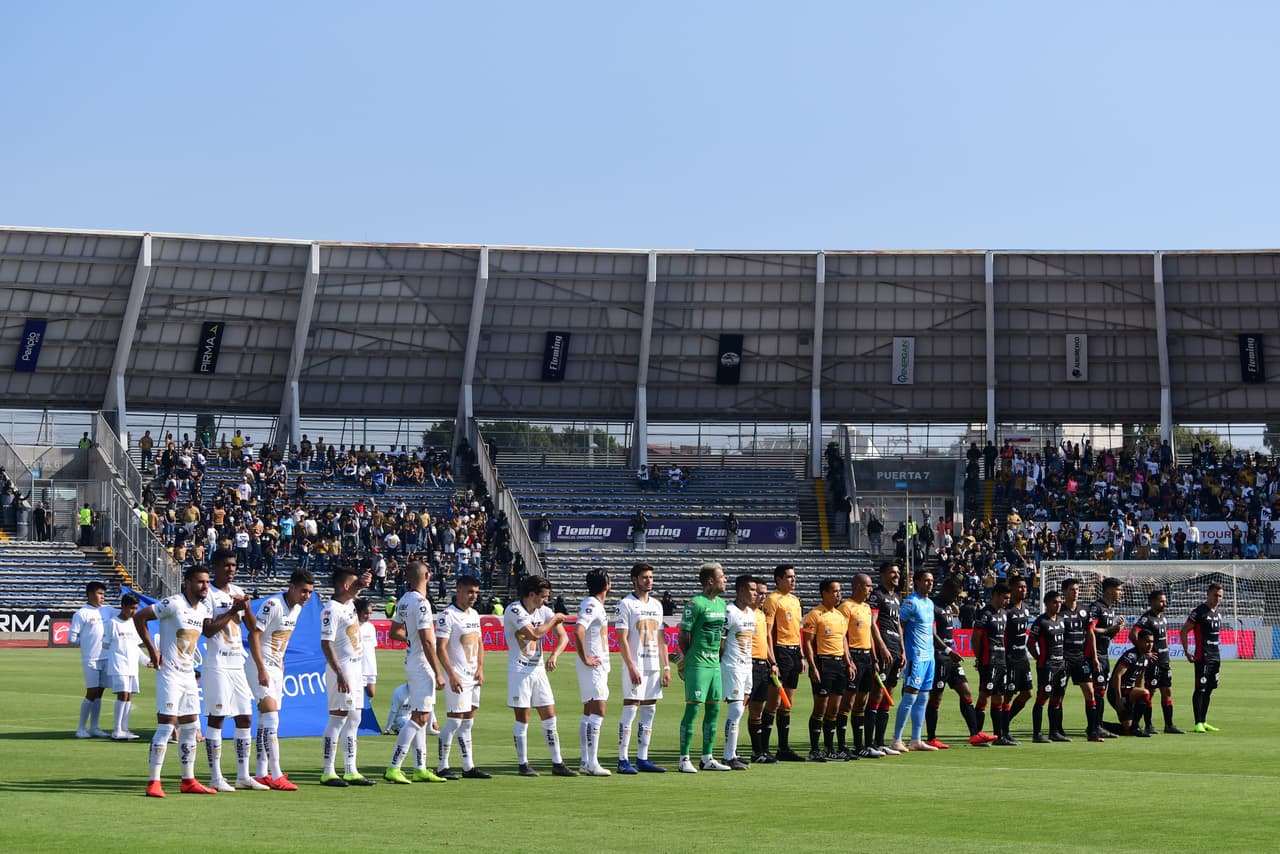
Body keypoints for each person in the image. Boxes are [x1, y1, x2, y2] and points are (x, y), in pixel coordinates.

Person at [134, 566, 235, 798]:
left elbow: (209, 631)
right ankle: (153, 782)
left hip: (189, 675)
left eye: (207, 582)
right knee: (167, 726)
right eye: (200, 582)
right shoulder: (173, 603)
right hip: (169, 674)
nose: (205, 586)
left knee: (190, 728)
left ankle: (188, 779)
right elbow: (140, 617)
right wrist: (152, 650)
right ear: (187, 582)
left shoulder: (203, 609)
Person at [202, 549, 266, 791]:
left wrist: (245, 607)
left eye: (234, 566)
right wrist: (231, 610)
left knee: (244, 717)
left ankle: (242, 775)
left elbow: (253, 628)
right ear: (215, 566)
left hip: (237, 662)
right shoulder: (208, 594)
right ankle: (216, 777)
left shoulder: (238, 591)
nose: (231, 570)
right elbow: (207, 630)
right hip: (217, 663)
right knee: (217, 717)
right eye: (227, 565)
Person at [245, 568, 315, 790]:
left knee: (266, 720)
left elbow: (279, 638)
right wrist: (261, 668)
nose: (307, 596)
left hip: (276, 668)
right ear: (291, 587)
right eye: (303, 591)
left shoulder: (296, 609)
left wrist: (279, 661)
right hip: (260, 667)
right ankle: (276, 775)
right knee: (272, 719)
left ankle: (260, 773)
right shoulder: (274, 605)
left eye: (310, 592)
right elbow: (254, 634)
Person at [505, 575, 577, 777]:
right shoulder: (514, 610)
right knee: (523, 719)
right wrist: (554, 619)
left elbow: (563, 636)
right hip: (519, 671)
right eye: (543, 597)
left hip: (538, 671)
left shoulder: (542, 611)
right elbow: (534, 634)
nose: (545, 601)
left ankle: (557, 762)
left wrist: (554, 654)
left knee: (550, 716)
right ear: (531, 594)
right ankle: (523, 764)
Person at [383, 560, 447, 784]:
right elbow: (428, 641)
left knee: (421, 714)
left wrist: (411, 639)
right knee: (421, 717)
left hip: (411, 660)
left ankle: (420, 767)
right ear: (427, 575)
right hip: (421, 664)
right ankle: (394, 766)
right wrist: (438, 672)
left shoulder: (404, 600)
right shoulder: (422, 603)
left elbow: (394, 632)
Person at [319, 564, 376, 786]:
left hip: (355, 668)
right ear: (345, 585)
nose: (358, 587)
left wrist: (361, 583)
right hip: (341, 669)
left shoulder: (349, 603)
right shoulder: (331, 609)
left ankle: (351, 769)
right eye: (353, 583)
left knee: (355, 718)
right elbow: (326, 643)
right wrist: (339, 672)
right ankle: (328, 770)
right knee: (338, 717)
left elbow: (357, 590)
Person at [615, 562, 670, 774]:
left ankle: (643, 758)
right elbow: (621, 639)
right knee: (630, 709)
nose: (649, 581)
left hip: (653, 665)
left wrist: (666, 666)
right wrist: (630, 665)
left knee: (650, 710)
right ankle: (622, 759)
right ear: (634, 580)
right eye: (645, 577)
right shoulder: (626, 604)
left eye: (651, 577)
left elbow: (661, 637)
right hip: (636, 665)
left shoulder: (657, 605)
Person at [434, 574, 491, 780]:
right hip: (457, 677)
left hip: (473, 677)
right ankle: (442, 766)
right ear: (458, 590)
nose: (473, 596)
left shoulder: (475, 614)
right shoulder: (448, 615)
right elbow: (440, 647)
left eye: (476, 592)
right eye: (469, 592)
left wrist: (481, 668)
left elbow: (480, 644)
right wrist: (451, 675)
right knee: (454, 721)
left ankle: (468, 766)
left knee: (468, 722)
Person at [677, 562, 730, 773]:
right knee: (693, 708)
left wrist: (717, 657)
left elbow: (722, 636)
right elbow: (683, 635)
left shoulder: (722, 605)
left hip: (714, 665)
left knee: (714, 709)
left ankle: (707, 757)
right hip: (698, 664)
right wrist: (690, 657)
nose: (725, 580)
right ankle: (684, 758)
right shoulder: (695, 604)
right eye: (722, 576)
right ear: (711, 581)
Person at [926, 576, 984, 748]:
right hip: (939, 658)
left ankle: (974, 734)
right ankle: (931, 738)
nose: (957, 599)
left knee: (966, 692)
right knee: (936, 697)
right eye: (955, 595)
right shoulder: (932, 606)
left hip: (951, 659)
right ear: (946, 590)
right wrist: (948, 651)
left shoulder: (949, 606)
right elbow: (932, 634)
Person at [802, 578, 853, 761]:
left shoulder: (840, 616)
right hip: (823, 663)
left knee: (834, 708)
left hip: (839, 663)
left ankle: (830, 749)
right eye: (834, 591)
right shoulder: (815, 615)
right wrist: (813, 666)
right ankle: (815, 750)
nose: (838, 594)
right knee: (820, 708)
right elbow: (808, 642)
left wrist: (848, 661)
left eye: (839, 591)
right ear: (824, 593)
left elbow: (843, 640)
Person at [839, 572, 886, 758]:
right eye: (868, 586)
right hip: (854, 657)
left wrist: (874, 660)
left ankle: (860, 746)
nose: (871, 589)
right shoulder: (846, 607)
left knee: (861, 703)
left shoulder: (866, 608)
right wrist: (848, 659)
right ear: (858, 586)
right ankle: (842, 746)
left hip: (867, 658)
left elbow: (869, 636)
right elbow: (842, 636)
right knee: (847, 703)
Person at [890, 569, 937, 753]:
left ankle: (916, 739)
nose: (930, 583)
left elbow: (931, 631)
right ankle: (896, 739)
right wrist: (903, 650)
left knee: (923, 697)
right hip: (915, 655)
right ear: (916, 582)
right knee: (910, 696)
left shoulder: (930, 603)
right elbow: (899, 627)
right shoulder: (911, 602)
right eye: (926, 580)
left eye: (931, 580)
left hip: (929, 656)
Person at [572, 569, 613, 777]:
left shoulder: (596, 605)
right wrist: (586, 658)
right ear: (607, 584)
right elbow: (578, 630)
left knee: (589, 711)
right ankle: (592, 762)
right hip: (593, 665)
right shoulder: (592, 605)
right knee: (598, 709)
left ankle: (586, 760)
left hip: (598, 664)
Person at [761, 564, 804, 761]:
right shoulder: (772, 599)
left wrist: (802, 655)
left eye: (794, 576)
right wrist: (772, 659)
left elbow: (798, 631)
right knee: (774, 702)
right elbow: (768, 632)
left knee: (788, 704)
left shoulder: (795, 600)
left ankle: (784, 748)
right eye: (789, 577)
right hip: (780, 650)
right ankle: (763, 748)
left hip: (794, 652)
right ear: (778, 579)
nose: (793, 580)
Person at [1133, 590, 1184, 734]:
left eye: (1165, 601)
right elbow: (1133, 634)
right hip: (1152, 662)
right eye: (1161, 601)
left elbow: (1164, 637)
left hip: (1164, 660)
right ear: (1153, 602)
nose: (1164, 603)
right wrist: (1144, 652)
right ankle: (1148, 725)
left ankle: (1169, 725)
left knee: (1167, 691)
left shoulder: (1163, 617)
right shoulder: (1146, 618)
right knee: (1150, 692)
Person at [720, 573, 757, 769]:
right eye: (751, 590)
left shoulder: (750, 613)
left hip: (747, 666)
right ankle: (727, 756)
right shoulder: (729, 611)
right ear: (741, 590)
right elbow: (721, 641)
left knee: (740, 710)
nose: (755, 593)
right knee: (735, 709)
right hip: (732, 666)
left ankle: (732, 751)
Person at [867, 562, 904, 754]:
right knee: (877, 694)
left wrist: (903, 651)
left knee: (888, 697)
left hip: (896, 651)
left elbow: (898, 625)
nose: (896, 575)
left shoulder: (897, 597)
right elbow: (872, 624)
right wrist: (881, 647)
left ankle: (881, 742)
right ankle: (870, 743)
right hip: (885, 651)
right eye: (892, 572)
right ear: (882, 575)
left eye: (897, 572)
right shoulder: (877, 595)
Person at [972, 582, 1015, 746]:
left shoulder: (1004, 613)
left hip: (1001, 660)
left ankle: (999, 736)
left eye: (1008, 599)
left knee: (999, 698)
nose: (1006, 601)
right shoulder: (985, 614)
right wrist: (979, 658)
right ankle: (976, 735)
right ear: (995, 595)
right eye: (1004, 598)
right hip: (988, 661)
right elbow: (975, 638)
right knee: (985, 695)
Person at [1181, 582, 1224, 733]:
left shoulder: (1217, 613)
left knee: (1210, 689)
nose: (1218, 598)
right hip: (1202, 656)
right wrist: (1187, 650)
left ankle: (1204, 721)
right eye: (1215, 595)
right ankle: (1197, 722)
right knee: (1200, 688)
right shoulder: (1199, 611)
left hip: (1215, 656)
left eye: (1220, 596)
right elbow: (1184, 631)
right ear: (1208, 594)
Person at [1028, 589, 1070, 743]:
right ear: (1046, 603)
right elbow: (1030, 643)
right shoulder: (1041, 622)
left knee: (1057, 699)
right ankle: (1037, 734)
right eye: (1055, 602)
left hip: (1061, 666)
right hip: (1047, 667)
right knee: (1042, 698)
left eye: (1060, 602)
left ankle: (1054, 732)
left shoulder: (1061, 620)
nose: (1058, 605)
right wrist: (1039, 658)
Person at [70, 581, 111, 739]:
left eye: (104, 594)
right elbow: (71, 637)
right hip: (91, 658)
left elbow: (126, 612)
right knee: (91, 691)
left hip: (106, 657)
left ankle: (94, 727)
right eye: (100, 593)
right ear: (90, 594)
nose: (103, 596)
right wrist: (86, 643)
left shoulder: (107, 610)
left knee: (100, 693)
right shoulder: (81, 613)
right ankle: (81, 727)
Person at [746, 578, 779, 763]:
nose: (762, 597)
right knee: (741, 709)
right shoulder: (742, 613)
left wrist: (772, 662)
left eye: (764, 593)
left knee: (758, 710)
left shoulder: (761, 614)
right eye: (759, 593)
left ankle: (759, 751)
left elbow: (765, 641)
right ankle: (734, 751)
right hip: (746, 664)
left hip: (761, 664)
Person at [1087, 576, 1126, 737]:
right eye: (1118, 589)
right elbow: (1090, 629)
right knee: (1096, 691)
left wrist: (1116, 630)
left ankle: (1098, 725)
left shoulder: (1110, 610)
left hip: (1105, 654)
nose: (1120, 593)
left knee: (1100, 691)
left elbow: (1106, 635)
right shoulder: (1097, 607)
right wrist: (1111, 629)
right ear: (1109, 590)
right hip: (1093, 654)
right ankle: (1095, 726)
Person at [103, 593, 144, 740]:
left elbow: (136, 646)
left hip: (132, 665)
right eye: (131, 608)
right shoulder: (112, 623)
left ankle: (125, 728)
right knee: (123, 694)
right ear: (123, 606)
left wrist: (146, 661)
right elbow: (106, 644)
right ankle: (116, 729)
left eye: (136, 608)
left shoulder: (135, 623)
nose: (134, 611)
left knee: (129, 696)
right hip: (119, 664)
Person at [1106, 629, 1154, 736]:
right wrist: (1118, 699)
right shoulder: (1132, 655)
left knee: (1126, 729)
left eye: (1152, 642)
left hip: (1128, 692)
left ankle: (1099, 725)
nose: (1150, 645)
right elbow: (1117, 676)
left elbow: (1139, 678)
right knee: (1145, 693)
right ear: (1140, 641)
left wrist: (1137, 698)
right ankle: (1136, 727)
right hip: (1116, 692)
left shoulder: (1145, 658)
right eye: (1147, 641)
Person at [1003, 576, 1035, 736]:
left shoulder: (1026, 608)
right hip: (1009, 658)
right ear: (1013, 589)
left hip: (1023, 657)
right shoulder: (1006, 610)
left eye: (1025, 587)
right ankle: (1003, 730)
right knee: (1008, 695)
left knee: (1028, 693)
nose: (1024, 590)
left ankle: (1005, 721)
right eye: (1020, 587)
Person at [355, 598, 378, 703]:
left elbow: (372, 646)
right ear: (358, 612)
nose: (368, 616)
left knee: (371, 693)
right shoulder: (354, 626)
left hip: (370, 666)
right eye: (365, 613)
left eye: (370, 613)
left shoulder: (371, 627)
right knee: (360, 694)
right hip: (360, 666)